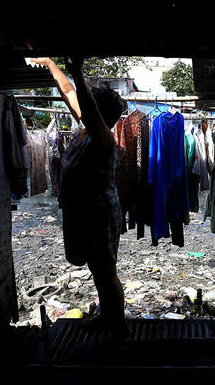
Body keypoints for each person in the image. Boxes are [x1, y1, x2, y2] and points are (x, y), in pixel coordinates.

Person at [30, 57, 129, 344]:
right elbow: (68, 92)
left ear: (97, 111)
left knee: (106, 271)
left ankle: (119, 326)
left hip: (99, 214)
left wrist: (77, 71)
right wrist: (51, 64)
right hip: (83, 213)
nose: (83, 107)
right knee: (97, 269)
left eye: (90, 106)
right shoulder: (85, 128)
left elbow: (81, 98)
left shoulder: (103, 138)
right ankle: (107, 315)